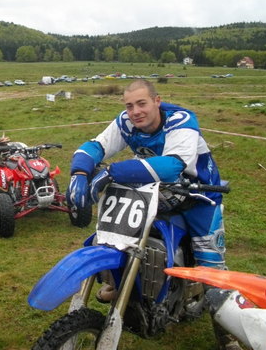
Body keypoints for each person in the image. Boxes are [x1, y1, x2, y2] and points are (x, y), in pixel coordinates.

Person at [67, 79, 239, 350]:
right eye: (129, 105)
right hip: (155, 191)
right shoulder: (126, 122)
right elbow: (97, 145)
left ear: (157, 101)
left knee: (212, 269)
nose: (135, 111)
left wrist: (112, 172)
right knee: (123, 235)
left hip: (199, 195)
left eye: (142, 103)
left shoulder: (181, 120)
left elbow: (173, 165)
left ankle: (227, 336)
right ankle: (125, 283)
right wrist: (79, 172)